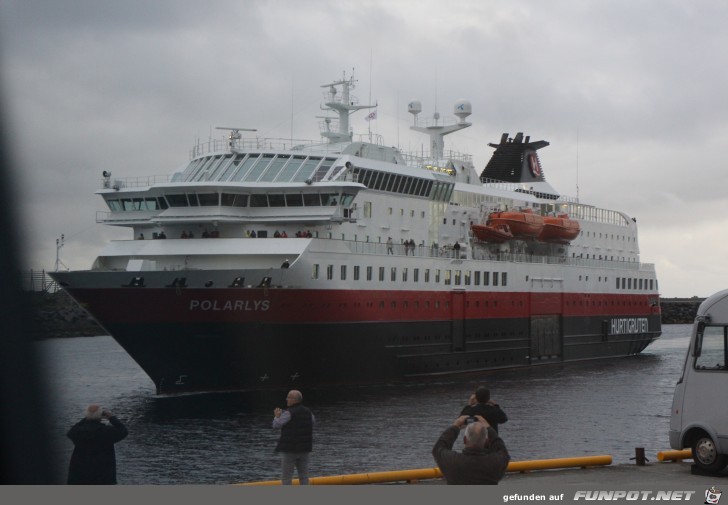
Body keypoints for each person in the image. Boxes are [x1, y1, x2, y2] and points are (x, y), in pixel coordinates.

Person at [432, 415, 510, 485]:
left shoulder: (452, 461)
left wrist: (455, 426)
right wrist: (488, 427)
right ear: (486, 442)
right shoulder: (495, 462)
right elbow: (502, 451)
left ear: (465, 440)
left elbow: (438, 448)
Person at [66, 404, 128, 484]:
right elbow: (123, 430)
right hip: (103, 474)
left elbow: (71, 431)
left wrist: (88, 417)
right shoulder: (107, 432)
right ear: (100, 416)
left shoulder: (79, 432)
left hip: (80, 473)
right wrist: (111, 417)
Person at [272, 390, 315, 485]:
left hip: (289, 450)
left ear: (294, 400)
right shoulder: (309, 412)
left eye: (288, 397)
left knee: (286, 478)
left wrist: (277, 416)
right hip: (304, 450)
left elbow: (276, 425)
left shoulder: (288, 413)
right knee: (304, 477)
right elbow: (312, 422)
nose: (286, 399)